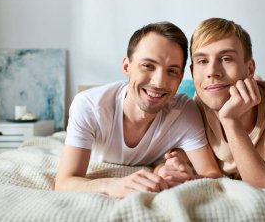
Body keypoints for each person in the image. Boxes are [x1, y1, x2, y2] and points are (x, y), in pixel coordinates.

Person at [55, 21, 221, 199]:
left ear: (180, 78)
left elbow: (212, 174)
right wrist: (110, 185)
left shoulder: (185, 111)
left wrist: (182, 177)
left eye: (172, 71)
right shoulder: (89, 105)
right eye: (148, 66)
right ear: (127, 66)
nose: (159, 83)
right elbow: (65, 182)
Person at [186, 17, 265, 188]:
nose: (212, 72)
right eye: (202, 61)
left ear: (250, 68)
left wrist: (230, 120)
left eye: (226, 58)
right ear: (193, 71)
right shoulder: (195, 106)